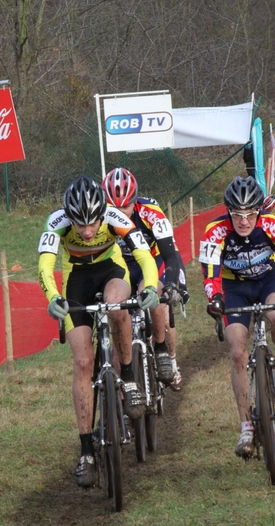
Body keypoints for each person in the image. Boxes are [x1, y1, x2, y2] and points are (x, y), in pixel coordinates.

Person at [37, 175, 159, 488]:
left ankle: (129, 377)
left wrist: (152, 287)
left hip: (111, 272)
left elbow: (144, 255)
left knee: (117, 306)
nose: (88, 231)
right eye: (81, 225)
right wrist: (53, 298)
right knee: (82, 362)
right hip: (76, 279)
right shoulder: (57, 222)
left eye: (92, 223)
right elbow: (45, 265)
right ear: (70, 217)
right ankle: (86, 451)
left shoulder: (114, 216)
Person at [200, 175, 275, 460]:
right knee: (236, 351)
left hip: (268, 282)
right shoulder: (215, 231)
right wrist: (215, 298)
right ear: (228, 211)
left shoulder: (272, 224)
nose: (243, 221)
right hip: (235, 289)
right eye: (237, 214)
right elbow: (210, 273)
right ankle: (246, 426)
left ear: (259, 211)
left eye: (249, 214)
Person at [102, 167, 189, 390]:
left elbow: (170, 254)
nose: (120, 214)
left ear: (135, 201)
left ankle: (166, 354)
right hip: (121, 267)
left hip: (152, 259)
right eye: (115, 208)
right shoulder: (100, 217)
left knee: (154, 296)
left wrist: (173, 284)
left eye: (126, 206)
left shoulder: (151, 211)